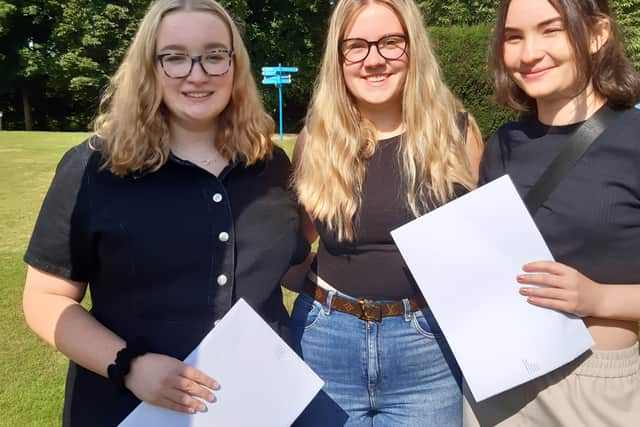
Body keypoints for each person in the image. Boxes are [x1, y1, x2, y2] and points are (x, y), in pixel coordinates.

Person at [21, 0, 309, 425]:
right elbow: (44, 299)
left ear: (235, 66)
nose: (197, 74)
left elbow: (287, 267)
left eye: (214, 55)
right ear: (149, 67)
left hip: (260, 406)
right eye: (174, 58)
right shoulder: (94, 169)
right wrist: (129, 365)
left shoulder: (270, 165)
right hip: (128, 408)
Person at [288, 0, 483, 425]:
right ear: (338, 58)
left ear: (413, 48)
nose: (374, 59)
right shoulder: (314, 140)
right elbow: (295, 245)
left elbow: (482, 256)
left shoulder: (457, 135)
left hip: (426, 349)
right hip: (324, 341)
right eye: (356, 46)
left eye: (391, 43)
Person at [464, 0, 640, 425]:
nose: (529, 53)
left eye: (551, 30)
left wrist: (598, 298)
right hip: (495, 380)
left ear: (598, 35)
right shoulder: (502, 144)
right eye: (514, 37)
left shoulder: (634, 139)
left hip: (592, 386)